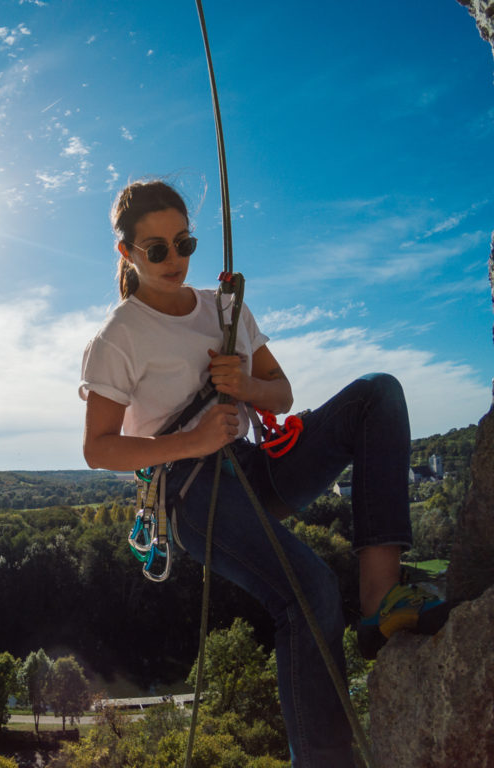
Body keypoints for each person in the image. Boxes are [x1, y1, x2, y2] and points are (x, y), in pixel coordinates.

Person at [79, 179, 452, 767]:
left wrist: (244, 385)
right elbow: (99, 449)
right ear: (127, 254)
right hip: (190, 494)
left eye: (184, 243)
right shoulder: (118, 337)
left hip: (253, 467)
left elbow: (280, 393)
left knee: (378, 395)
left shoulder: (225, 308)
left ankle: (381, 601)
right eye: (157, 250)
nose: (175, 260)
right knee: (308, 591)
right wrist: (191, 440)